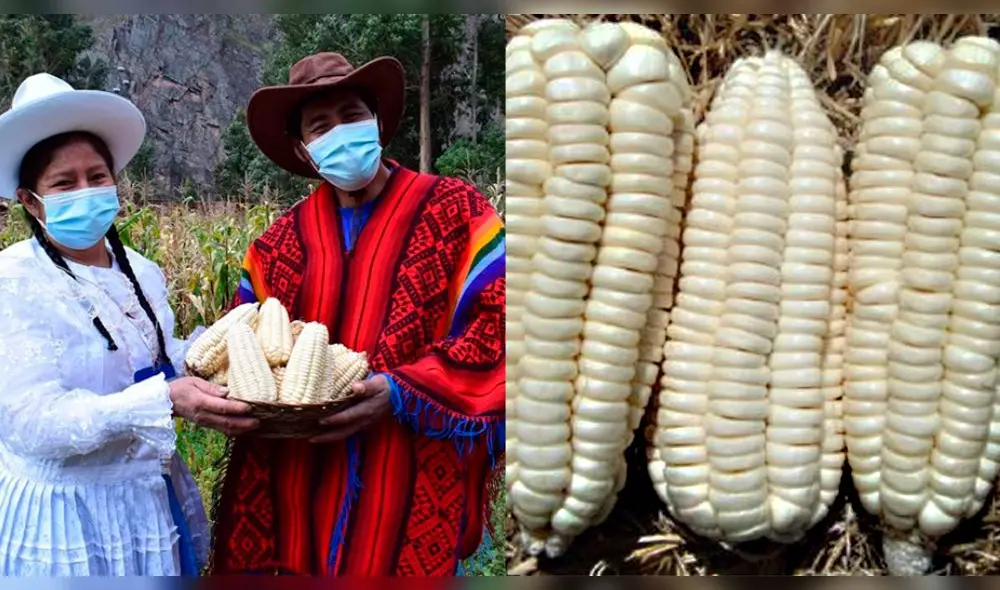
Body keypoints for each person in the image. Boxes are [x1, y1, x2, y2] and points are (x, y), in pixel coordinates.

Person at [208, 52, 505, 576]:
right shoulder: (275, 247)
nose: (340, 132)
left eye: (351, 115)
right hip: (300, 478)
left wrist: (402, 392)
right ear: (304, 150)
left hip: (411, 472)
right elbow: (240, 346)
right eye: (321, 126)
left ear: (378, 124)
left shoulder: (456, 210)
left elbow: (503, 321)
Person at [0, 73, 259, 576]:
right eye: (63, 182)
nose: (86, 191)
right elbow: (33, 423)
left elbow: (152, 359)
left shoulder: (140, 270)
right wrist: (167, 399)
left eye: (97, 177)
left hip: (149, 496)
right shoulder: (13, 280)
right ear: (32, 202)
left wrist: (220, 347)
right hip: (70, 514)